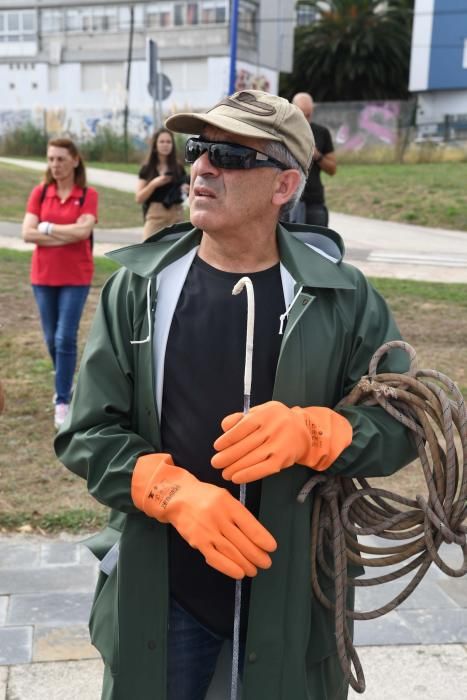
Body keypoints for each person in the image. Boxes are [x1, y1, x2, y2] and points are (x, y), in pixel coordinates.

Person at [55, 90, 415, 700]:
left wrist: (319, 431)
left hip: (295, 589)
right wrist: (171, 493)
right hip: (166, 587)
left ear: (284, 186)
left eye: (229, 155)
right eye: (199, 149)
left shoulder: (342, 298)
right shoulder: (139, 290)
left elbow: (404, 419)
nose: (202, 167)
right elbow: (88, 430)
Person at [22, 137, 98, 430]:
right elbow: (28, 233)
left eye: (61, 159)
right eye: (51, 159)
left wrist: (49, 227)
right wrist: (65, 233)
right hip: (43, 276)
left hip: (76, 276)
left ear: (75, 160)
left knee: (65, 338)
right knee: (51, 338)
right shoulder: (40, 193)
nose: (55, 165)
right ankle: (65, 382)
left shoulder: (87, 195)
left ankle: (63, 400)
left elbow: (83, 232)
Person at [291, 91, 336, 227]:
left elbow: (332, 169)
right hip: (288, 200)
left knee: (317, 246)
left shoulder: (322, 132)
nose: (306, 119)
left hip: (314, 201)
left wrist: (317, 156)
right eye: (302, 114)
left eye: (309, 115)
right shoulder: (283, 131)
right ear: (293, 110)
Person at [136, 127, 189, 239]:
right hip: (155, 216)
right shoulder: (148, 169)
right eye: (162, 141)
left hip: (176, 215)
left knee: (177, 254)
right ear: (155, 145)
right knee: (148, 252)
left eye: (169, 142)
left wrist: (185, 189)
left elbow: (186, 192)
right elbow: (139, 198)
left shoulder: (178, 168)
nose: (165, 145)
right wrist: (153, 184)